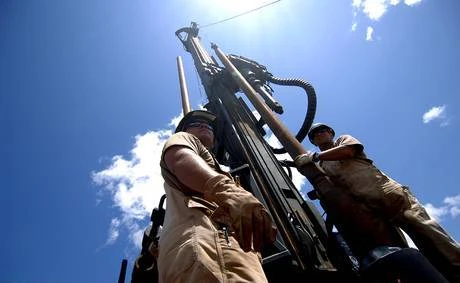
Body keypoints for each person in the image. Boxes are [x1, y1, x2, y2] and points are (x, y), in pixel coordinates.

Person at [294, 123, 460, 282]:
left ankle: (456, 267)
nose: (319, 134)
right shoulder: (323, 165)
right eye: (315, 134)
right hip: (370, 208)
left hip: (389, 194)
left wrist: (314, 157)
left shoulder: (342, 142)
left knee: (428, 233)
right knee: (397, 249)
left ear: (331, 132)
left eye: (323, 130)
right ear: (314, 142)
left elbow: (349, 151)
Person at [157, 110, 277, 283]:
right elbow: (180, 158)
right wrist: (230, 192)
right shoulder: (184, 139)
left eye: (208, 125)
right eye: (195, 124)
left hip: (224, 250)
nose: (203, 125)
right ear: (184, 130)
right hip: (211, 248)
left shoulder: (213, 166)